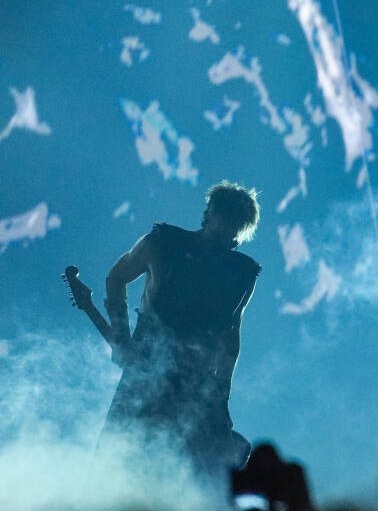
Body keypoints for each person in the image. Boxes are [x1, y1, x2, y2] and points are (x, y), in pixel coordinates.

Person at [99, 180, 262, 484]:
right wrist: (121, 337)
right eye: (222, 215)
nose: (224, 225)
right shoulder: (162, 244)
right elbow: (117, 277)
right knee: (125, 455)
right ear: (209, 213)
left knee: (202, 469)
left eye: (234, 220)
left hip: (197, 377)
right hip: (149, 365)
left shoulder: (242, 273)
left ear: (241, 228)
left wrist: (222, 387)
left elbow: (231, 332)